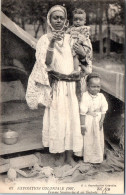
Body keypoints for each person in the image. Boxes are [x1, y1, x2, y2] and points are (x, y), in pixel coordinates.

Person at [26, 5, 87, 167]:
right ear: (49, 20)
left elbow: (80, 59)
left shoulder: (70, 38)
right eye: (55, 17)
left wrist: (81, 53)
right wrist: (52, 41)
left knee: (71, 119)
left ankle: (70, 157)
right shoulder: (44, 40)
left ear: (66, 20)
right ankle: (60, 157)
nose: (58, 20)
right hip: (57, 86)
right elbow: (45, 63)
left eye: (61, 18)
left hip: (71, 87)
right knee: (59, 120)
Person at [80, 73, 108, 163]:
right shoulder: (85, 96)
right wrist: (83, 125)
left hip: (97, 121)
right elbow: (82, 112)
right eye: (93, 86)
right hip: (88, 121)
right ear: (88, 86)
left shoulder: (101, 96)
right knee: (88, 138)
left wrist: (101, 121)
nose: (96, 89)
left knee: (97, 138)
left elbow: (104, 110)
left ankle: (97, 157)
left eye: (98, 87)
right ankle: (88, 157)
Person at [67, 8, 92, 101]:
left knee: (81, 90)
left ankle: (81, 70)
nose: (77, 21)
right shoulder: (70, 29)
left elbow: (84, 38)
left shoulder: (84, 29)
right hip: (71, 49)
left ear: (84, 21)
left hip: (80, 44)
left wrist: (80, 42)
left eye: (80, 20)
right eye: (75, 19)